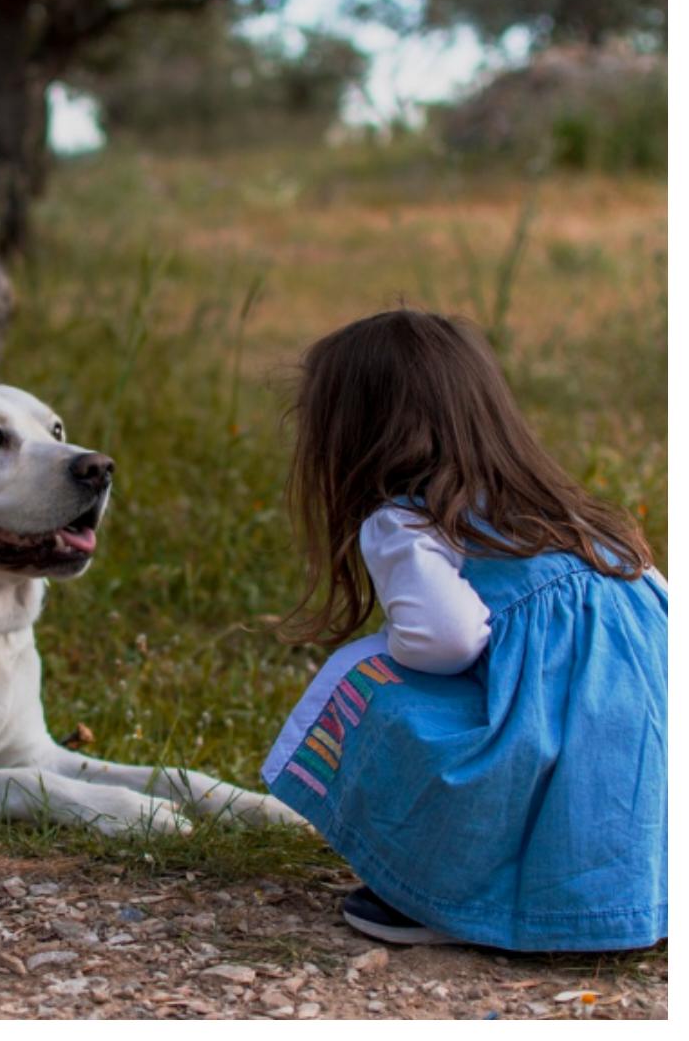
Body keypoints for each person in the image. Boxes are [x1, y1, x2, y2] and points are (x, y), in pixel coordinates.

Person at [262, 308, 667, 951]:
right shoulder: (562, 512)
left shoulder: (406, 521)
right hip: (641, 745)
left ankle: (442, 891)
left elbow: (447, 641)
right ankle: (636, 888)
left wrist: (387, 648)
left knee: (374, 686)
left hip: (546, 735)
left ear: (353, 438)